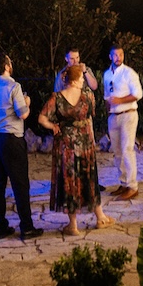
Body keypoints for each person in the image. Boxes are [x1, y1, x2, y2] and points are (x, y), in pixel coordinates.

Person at [38, 62, 113, 235]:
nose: (82, 81)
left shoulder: (57, 98)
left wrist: (53, 126)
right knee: (89, 178)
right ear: (74, 80)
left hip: (66, 145)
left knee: (69, 181)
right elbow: (90, 115)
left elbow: (41, 118)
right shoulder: (87, 96)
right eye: (80, 78)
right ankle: (100, 217)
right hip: (84, 143)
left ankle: (73, 225)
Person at [0, 54, 43, 240]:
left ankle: (0, 227)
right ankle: (26, 227)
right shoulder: (14, 87)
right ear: (7, 67)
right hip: (12, 138)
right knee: (20, 183)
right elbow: (22, 114)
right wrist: (27, 102)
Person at [102, 44, 142, 200]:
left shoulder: (129, 73)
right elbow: (107, 95)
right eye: (115, 55)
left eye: (121, 54)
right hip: (113, 116)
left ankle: (132, 186)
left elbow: (138, 94)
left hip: (128, 114)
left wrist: (120, 100)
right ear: (110, 57)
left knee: (127, 150)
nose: (118, 57)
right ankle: (124, 182)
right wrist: (108, 110)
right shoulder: (107, 74)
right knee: (117, 152)